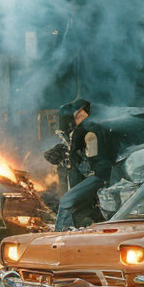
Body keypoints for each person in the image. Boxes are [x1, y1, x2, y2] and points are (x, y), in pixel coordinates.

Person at [55, 99, 115, 231]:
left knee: (66, 202)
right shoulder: (91, 128)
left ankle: (57, 237)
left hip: (99, 176)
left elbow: (93, 160)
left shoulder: (89, 131)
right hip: (100, 176)